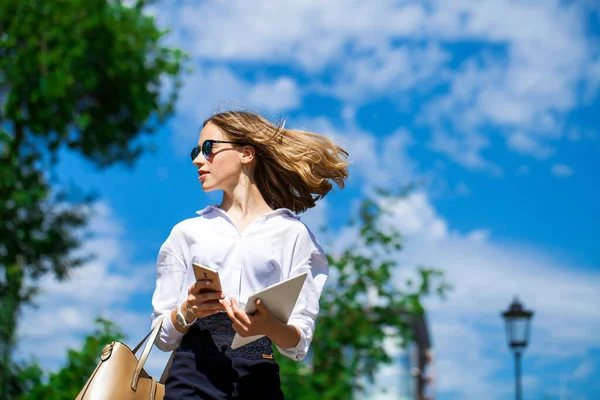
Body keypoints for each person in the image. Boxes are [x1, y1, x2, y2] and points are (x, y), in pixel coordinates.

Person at [150, 110, 349, 399]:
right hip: (191, 374)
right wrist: (187, 310)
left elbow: (298, 342)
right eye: (196, 151)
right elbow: (162, 338)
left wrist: (267, 325)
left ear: (246, 153)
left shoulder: (293, 235)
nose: (197, 159)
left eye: (208, 148)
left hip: (257, 377)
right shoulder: (186, 233)